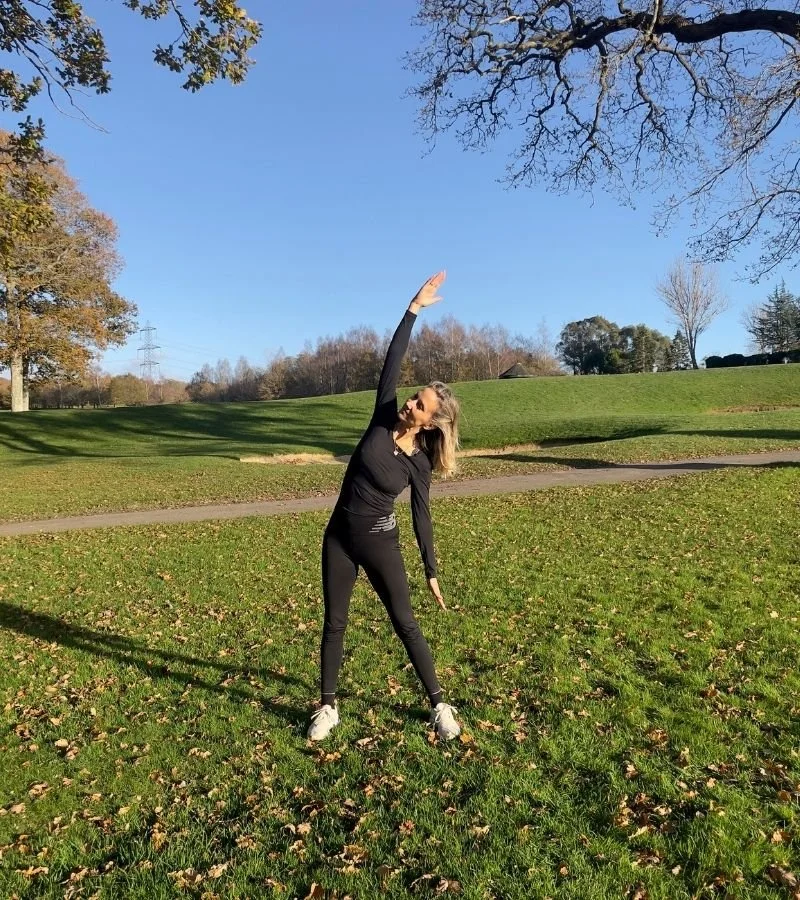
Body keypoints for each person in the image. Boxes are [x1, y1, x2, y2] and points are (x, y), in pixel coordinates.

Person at [308, 271, 462, 742]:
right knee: (334, 623)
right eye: (414, 396)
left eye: (419, 404)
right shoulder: (381, 417)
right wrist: (412, 308)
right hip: (338, 536)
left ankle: (439, 704)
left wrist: (431, 569)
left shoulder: (419, 464)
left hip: (379, 544)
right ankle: (328, 706)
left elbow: (421, 515)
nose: (410, 403)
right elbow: (391, 360)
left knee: (405, 623)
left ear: (431, 422)